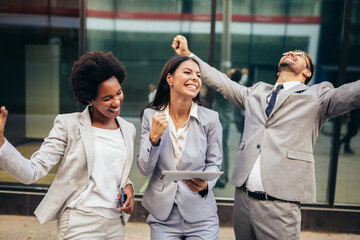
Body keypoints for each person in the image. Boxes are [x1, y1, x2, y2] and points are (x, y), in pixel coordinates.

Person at [172, 35, 360, 240]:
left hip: (280, 206)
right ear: (278, 71)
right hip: (243, 200)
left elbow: (352, 94)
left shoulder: (318, 97)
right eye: (288, 53)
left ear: (307, 72)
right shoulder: (257, 93)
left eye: (299, 55)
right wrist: (188, 56)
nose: (291, 53)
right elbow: (222, 83)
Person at [0, 50, 136, 239]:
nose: (116, 101)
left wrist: (128, 186)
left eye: (119, 93)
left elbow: (114, 166)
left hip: (115, 223)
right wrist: (2, 144)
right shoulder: (68, 125)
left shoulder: (128, 129)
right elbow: (32, 171)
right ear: (90, 99)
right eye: (107, 98)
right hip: (79, 222)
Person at [137, 55, 222, 239]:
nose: (195, 78)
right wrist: (153, 139)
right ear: (170, 79)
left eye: (198, 75)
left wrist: (207, 184)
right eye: (187, 72)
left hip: (201, 216)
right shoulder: (151, 116)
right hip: (162, 217)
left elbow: (215, 164)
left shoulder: (211, 119)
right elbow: (144, 169)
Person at [213, 68, 241, 188]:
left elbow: (214, 85)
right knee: (224, 148)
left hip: (221, 121)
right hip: (226, 120)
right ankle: (224, 176)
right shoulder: (235, 86)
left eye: (229, 72)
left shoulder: (227, 87)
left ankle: (221, 178)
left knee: (219, 149)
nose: (227, 72)